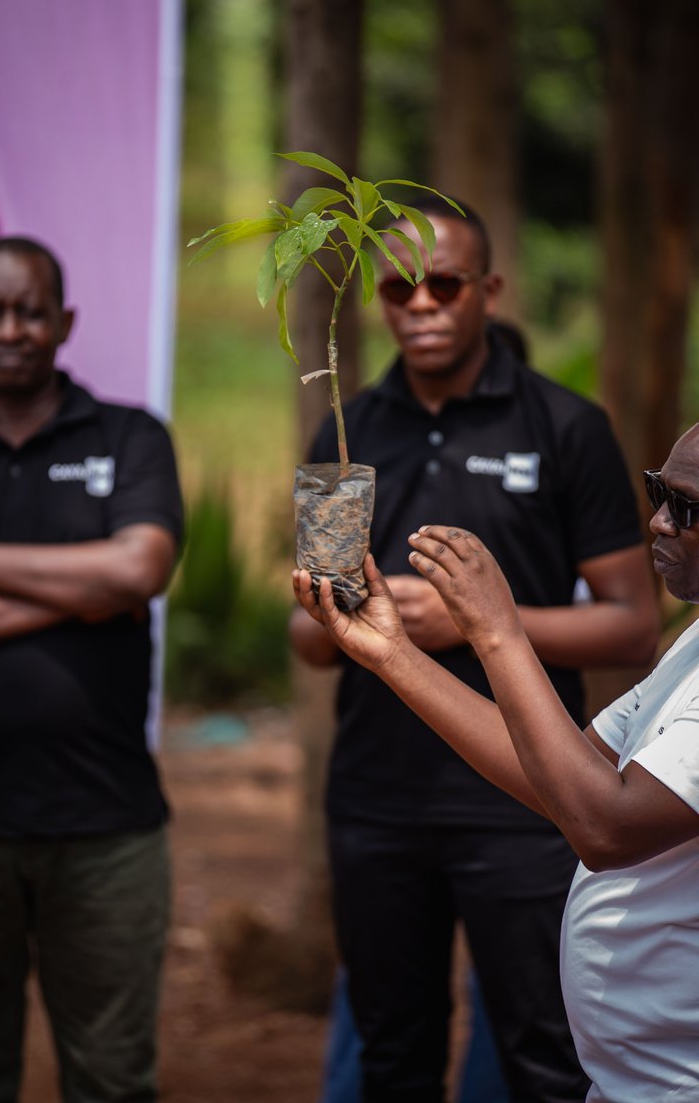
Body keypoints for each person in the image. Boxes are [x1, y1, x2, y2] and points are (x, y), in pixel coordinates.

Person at [289, 198, 660, 1102]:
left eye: (444, 284)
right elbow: (310, 642)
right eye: (397, 287)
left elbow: (631, 625)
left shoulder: (564, 426)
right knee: (393, 1052)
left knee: (542, 1052)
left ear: (487, 291)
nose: (420, 304)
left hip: (525, 795)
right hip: (377, 799)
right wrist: (336, 616)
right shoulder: (350, 428)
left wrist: (475, 621)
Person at [294, 420, 699, 1100]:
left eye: (687, 507)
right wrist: (394, 653)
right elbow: (565, 778)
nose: (658, 523)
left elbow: (606, 828)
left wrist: (495, 629)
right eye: (658, 491)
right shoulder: (692, 643)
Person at [0, 236, 183, 1101]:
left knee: (111, 1077)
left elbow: (138, 571)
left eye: (31, 310)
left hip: (105, 826)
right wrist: (81, 594)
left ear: (65, 322)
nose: (12, 329)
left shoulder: (131, 437)